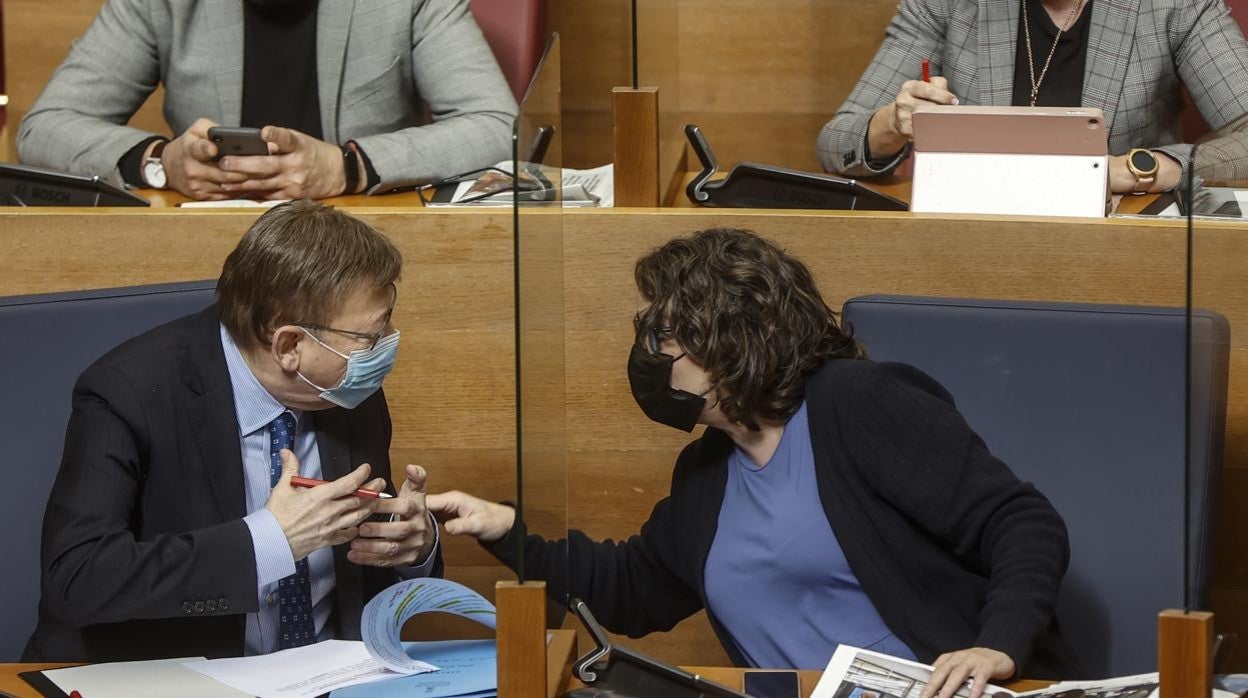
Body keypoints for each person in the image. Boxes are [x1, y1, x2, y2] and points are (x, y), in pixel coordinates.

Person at [429, 228, 1084, 695]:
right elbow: (631, 590)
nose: (653, 356)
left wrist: (997, 645)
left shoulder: (858, 403)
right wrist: (502, 528)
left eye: (668, 335)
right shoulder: (707, 470)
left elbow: (1020, 522)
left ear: (731, 337)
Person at [24, 201, 439, 662]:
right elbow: (78, 580)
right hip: (176, 680)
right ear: (289, 345)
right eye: (368, 339)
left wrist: (411, 549)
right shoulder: (128, 392)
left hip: (329, 678)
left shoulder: (346, 391)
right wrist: (269, 541)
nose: (383, 350)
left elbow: (358, 571)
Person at [17, 0, 517, 201]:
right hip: (203, 258)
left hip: (362, 250)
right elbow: (45, 127)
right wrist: (160, 163)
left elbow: (499, 125)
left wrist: (348, 167)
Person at [818, 0, 1248, 194]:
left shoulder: (1173, 5)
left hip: (1119, 245)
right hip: (972, 243)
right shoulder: (948, 5)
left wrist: (1145, 168)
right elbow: (836, 143)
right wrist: (893, 123)